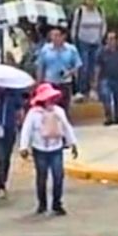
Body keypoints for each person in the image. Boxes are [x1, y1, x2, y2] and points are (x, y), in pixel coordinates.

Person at [19, 83, 78, 215]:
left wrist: (72, 143)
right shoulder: (33, 114)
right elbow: (26, 130)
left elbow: (66, 127)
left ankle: (57, 203)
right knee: (42, 177)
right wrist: (24, 147)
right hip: (39, 149)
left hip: (56, 148)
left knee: (58, 176)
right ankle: (42, 203)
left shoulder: (58, 111)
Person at [35, 27, 81, 113]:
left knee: (64, 107)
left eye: (57, 35)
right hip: (50, 82)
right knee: (51, 107)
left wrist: (70, 72)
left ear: (63, 36)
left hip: (65, 82)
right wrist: (39, 83)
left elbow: (77, 65)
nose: (55, 38)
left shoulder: (71, 49)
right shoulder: (45, 50)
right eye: (52, 35)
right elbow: (41, 66)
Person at [70, 0, 106, 99]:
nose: (91, 1)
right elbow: (75, 25)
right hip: (83, 41)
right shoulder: (80, 12)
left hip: (96, 42)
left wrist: (101, 36)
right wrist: (74, 39)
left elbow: (103, 25)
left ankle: (93, 89)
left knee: (95, 67)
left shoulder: (99, 11)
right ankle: (82, 90)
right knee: (84, 66)